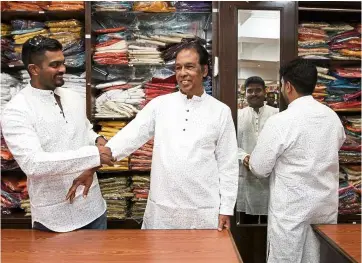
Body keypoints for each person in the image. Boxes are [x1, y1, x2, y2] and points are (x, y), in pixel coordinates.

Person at [68, 43, 239, 231]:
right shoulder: (160, 105)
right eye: (178, 67)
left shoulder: (220, 112)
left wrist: (226, 209)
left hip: (203, 210)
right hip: (164, 209)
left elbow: (227, 164)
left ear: (204, 70)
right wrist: (93, 165)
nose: (182, 73)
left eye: (189, 66)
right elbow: (129, 137)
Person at [1, 36, 114, 232]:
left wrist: (97, 139)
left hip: (93, 209)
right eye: (55, 65)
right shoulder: (16, 110)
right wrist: (95, 155)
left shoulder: (73, 96)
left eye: (62, 62)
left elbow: (85, 129)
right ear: (34, 69)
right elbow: (33, 164)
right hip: (54, 220)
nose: (63, 69)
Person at [248, 59, 346, 263]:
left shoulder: (281, 121)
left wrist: (248, 159)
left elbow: (259, 168)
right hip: (324, 210)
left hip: (290, 213)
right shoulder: (332, 118)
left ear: (288, 85)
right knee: (319, 258)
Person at [237, 76, 278, 224]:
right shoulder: (238, 115)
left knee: (270, 222)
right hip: (246, 174)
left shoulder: (277, 114)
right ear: (245, 93)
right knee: (246, 223)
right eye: (250, 91)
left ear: (265, 92)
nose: (254, 94)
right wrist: (244, 156)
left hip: (269, 176)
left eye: (258, 90)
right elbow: (231, 144)